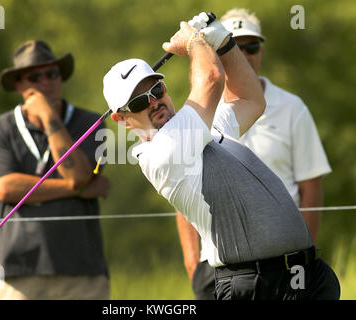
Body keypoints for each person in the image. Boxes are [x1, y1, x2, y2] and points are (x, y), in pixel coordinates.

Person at [102, 13, 340, 300]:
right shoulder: (161, 152)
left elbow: (251, 99)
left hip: (304, 277)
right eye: (140, 101)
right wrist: (194, 43)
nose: (154, 102)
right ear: (123, 119)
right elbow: (212, 78)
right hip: (254, 286)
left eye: (156, 89)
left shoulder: (202, 128)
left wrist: (224, 43)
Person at [175, 8, 333, 300]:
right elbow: (182, 194)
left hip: (287, 266)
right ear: (215, 49)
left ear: (261, 50)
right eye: (233, 44)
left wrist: (304, 256)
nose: (244, 54)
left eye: (251, 46)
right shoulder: (197, 114)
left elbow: (311, 188)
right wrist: (192, 263)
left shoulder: (292, 108)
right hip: (219, 266)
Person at [0, 40, 110, 300]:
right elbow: (5, 188)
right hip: (21, 271)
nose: (46, 82)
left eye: (52, 73)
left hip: (83, 272)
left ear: (60, 77)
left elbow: (78, 176)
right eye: (35, 76)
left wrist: (50, 118)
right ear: (19, 85)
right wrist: (77, 189)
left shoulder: (91, 123)